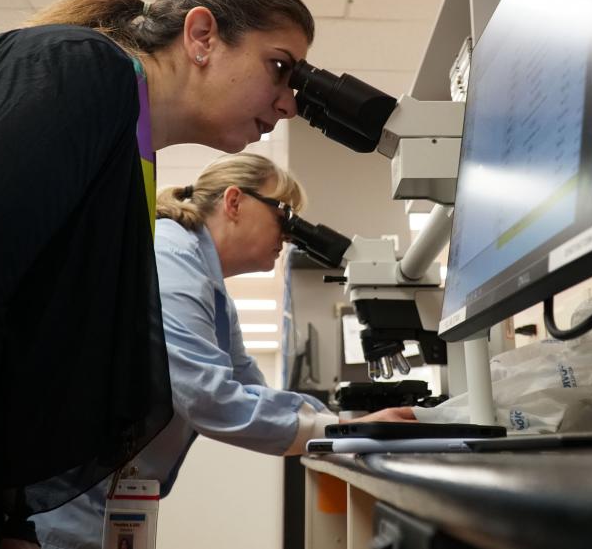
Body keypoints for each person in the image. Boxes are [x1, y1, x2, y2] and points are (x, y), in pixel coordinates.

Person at [0, 0, 313, 549]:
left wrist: (12, 523)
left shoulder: (126, 151)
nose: (289, 101)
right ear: (203, 35)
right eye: (280, 66)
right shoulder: (81, 71)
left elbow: (17, 340)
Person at [33, 153, 415, 549]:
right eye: (283, 216)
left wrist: (344, 427)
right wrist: (343, 433)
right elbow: (208, 399)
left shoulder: (211, 290)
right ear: (234, 202)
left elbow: (250, 387)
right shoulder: (170, 255)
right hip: (67, 503)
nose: (288, 236)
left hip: (103, 503)